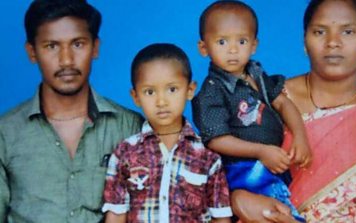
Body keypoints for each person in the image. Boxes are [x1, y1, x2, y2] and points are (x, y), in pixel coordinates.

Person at [232, 0, 356, 222]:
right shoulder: (268, 98)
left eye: (348, 31)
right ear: (304, 41)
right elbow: (210, 177)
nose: (333, 43)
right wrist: (235, 199)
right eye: (320, 32)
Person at [0, 0, 144, 222]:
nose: (66, 60)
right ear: (32, 52)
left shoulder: (130, 127)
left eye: (78, 44)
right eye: (51, 46)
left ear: (95, 47)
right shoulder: (5, 133)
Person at [192, 1, 311, 222]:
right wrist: (261, 151)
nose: (233, 50)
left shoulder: (257, 75)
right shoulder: (212, 91)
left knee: (278, 200)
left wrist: (301, 138)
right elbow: (216, 140)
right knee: (277, 209)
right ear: (203, 48)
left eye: (242, 41)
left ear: (254, 45)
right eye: (222, 41)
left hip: (267, 165)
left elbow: (284, 104)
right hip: (239, 169)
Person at [102, 43, 232, 223]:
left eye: (172, 89)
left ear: (190, 90)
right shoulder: (125, 153)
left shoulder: (207, 157)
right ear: (136, 97)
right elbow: (116, 215)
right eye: (149, 92)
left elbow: (221, 217)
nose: (161, 101)